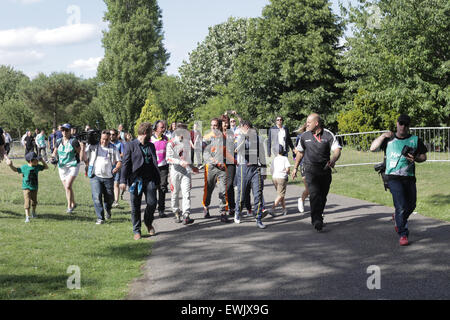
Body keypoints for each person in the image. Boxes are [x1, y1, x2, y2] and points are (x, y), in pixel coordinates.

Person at [370, 114, 427, 246]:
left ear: (409, 126)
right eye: (401, 123)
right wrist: (383, 136)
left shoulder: (414, 140)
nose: (403, 127)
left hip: (409, 177)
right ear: (397, 124)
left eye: (406, 124)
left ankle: (398, 218)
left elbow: (424, 157)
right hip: (393, 177)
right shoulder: (389, 139)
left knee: (411, 205)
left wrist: (416, 158)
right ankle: (403, 233)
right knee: (400, 205)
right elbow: (372, 148)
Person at [291, 113, 342, 232]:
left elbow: (337, 150)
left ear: (316, 123)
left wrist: (333, 160)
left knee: (323, 196)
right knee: (314, 194)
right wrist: (295, 168)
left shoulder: (328, 134)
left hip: (324, 170)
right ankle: (316, 220)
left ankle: (319, 215)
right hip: (310, 170)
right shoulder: (304, 136)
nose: (306, 124)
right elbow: (300, 152)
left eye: (309, 122)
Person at [120, 122, 160, 240]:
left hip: (150, 179)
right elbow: (125, 164)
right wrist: (122, 180)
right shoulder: (130, 145)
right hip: (136, 181)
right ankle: (136, 230)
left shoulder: (151, 145)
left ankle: (148, 222)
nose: (152, 134)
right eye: (150, 132)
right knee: (135, 206)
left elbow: (154, 163)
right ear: (144, 133)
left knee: (152, 203)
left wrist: (158, 180)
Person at [81, 130, 122, 225]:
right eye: (103, 139)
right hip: (95, 176)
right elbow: (84, 158)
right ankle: (100, 218)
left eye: (107, 140)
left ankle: (108, 209)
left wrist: (116, 168)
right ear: (100, 138)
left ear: (109, 139)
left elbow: (119, 161)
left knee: (109, 198)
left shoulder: (113, 148)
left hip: (109, 177)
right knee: (96, 196)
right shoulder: (93, 146)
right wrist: (83, 149)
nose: (104, 141)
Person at [234, 120, 268, 229]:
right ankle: (238, 212)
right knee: (242, 194)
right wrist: (244, 137)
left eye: (248, 128)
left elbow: (262, 154)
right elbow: (236, 149)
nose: (247, 130)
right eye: (244, 128)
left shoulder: (258, 139)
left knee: (258, 193)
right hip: (243, 168)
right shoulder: (239, 137)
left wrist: (264, 170)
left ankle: (258, 218)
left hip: (255, 169)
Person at [202, 118, 231, 223]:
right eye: (211, 125)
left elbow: (225, 152)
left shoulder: (223, 137)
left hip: (222, 167)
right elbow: (205, 153)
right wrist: (214, 161)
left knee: (223, 190)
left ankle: (223, 212)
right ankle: (206, 207)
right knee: (208, 190)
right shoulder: (206, 138)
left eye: (215, 125)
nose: (213, 127)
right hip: (210, 167)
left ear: (219, 126)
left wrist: (231, 160)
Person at [5, 152, 48, 222]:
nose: (37, 161)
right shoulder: (24, 167)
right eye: (36, 160)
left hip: (34, 187)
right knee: (27, 202)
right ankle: (27, 217)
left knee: (34, 202)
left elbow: (46, 167)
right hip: (26, 188)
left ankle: (33, 212)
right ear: (31, 161)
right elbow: (15, 170)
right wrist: (10, 165)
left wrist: (42, 161)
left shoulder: (37, 166)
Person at [166, 123, 196, 225]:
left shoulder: (187, 142)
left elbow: (188, 158)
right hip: (175, 171)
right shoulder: (171, 143)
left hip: (186, 171)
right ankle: (176, 212)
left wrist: (192, 167)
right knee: (175, 193)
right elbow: (168, 158)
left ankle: (186, 214)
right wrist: (179, 162)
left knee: (186, 193)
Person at [51, 123, 81, 214]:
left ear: (70, 131)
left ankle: (69, 207)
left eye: (66, 130)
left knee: (68, 186)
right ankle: (73, 203)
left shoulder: (74, 141)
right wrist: (53, 158)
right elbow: (54, 153)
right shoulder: (59, 141)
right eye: (62, 130)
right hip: (62, 166)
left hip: (73, 165)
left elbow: (79, 152)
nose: (64, 132)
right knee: (67, 188)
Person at [151, 120, 170, 218]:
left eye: (164, 127)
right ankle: (152, 208)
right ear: (156, 128)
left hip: (164, 166)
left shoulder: (166, 138)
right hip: (153, 167)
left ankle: (161, 209)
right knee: (153, 188)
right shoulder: (150, 139)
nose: (164, 129)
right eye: (161, 127)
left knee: (162, 188)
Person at [270, 145, 291, 215]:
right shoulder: (285, 158)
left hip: (274, 177)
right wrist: (288, 172)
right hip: (282, 177)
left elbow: (271, 169)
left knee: (281, 194)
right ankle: (272, 209)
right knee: (280, 195)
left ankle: (284, 209)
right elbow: (288, 169)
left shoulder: (274, 159)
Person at [294, 122, 310, 213]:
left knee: (316, 189)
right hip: (304, 164)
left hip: (315, 165)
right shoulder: (301, 137)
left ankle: (318, 211)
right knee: (309, 188)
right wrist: (295, 168)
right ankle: (301, 200)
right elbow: (296, 151)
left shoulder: (316, 136)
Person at [110, 129, 125, 207]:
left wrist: (116, 156)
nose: (111, 136)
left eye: (113, 134)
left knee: (116, 183)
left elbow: (123, 154)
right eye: (110, 134)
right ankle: (110, 199)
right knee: (109, 184)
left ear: (116, 135)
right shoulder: (107, 143)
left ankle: (116, 201)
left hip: (117, 165)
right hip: (108, 166)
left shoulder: (120, 144)